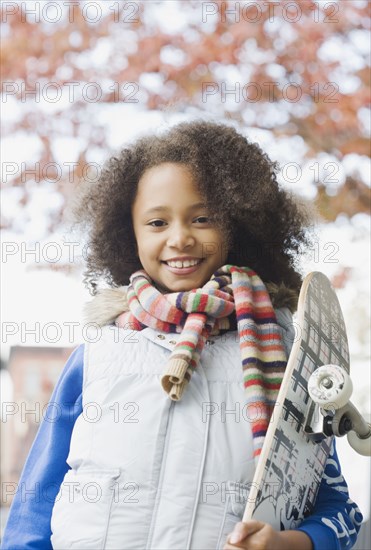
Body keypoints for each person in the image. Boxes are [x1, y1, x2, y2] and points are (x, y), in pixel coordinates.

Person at [2, 120, 363, 549]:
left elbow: (339, 512)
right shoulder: (98, 353)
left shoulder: (287, 359)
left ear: (238, 225)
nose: (180, 238)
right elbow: (34, 506)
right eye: (156, 223)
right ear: (127, 233)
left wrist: (290, 543)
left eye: (203, 218)